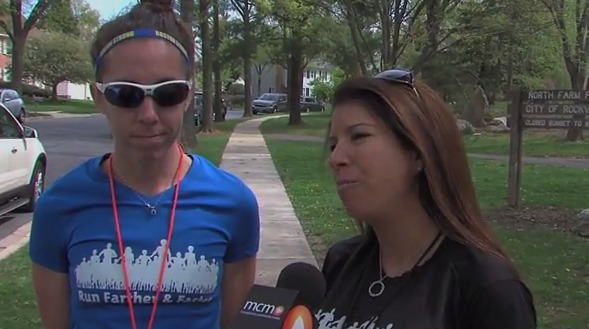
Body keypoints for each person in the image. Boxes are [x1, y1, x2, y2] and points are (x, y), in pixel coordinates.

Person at [28, 1, 260, 329]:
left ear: (188, 95)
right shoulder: (58, 207)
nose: (149, 115)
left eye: (167, 93)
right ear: (99, 98)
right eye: (126, 94)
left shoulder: (234, 204)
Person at [315, 69, 537, 329]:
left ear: (418, 153)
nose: (335, 158)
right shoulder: (341, 262)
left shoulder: (487, 288)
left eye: (359, 136)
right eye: (333, 144)